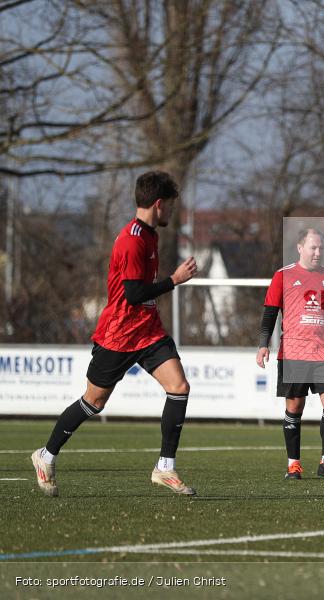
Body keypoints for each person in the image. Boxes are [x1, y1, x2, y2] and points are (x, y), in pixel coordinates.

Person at [31, 171, 199, 497]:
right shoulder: (132, 240)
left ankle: (164, 467)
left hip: (148, 330)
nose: (171, 211)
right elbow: (133, 294)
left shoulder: (150, 235)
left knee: (179, 387)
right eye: (170, 205)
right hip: (119, 334)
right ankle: (46, 456)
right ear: (159, 204)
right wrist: (174, 280)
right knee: (93, 402)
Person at [256, 228, 324, 481]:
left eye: (321, 248)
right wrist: (263, 344)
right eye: (313, 247)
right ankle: (293, 465)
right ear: (300, 248)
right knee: (295, 407)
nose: (318, 252)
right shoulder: (283, 275)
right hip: (294, 351)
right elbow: (270, 312)